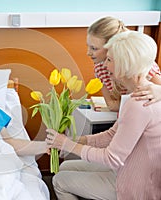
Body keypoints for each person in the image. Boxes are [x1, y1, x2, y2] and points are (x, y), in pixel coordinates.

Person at [46, 31, 161, 200]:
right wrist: (70, 140)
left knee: (59, 180)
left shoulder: (138, 104)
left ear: (124, 65)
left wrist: (67, 145)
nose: (105, 66)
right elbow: (111, 135)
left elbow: (111, 158)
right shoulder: (139, 95)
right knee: (65, 167)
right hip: (127, 168)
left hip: (134, 186)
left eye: (109, 59)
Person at [87, 16, 161, 111]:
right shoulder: (100, 68)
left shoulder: (142, 67)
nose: (88, 53)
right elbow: (112, 106)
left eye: (94, 48)